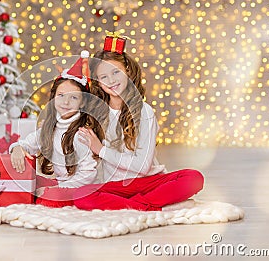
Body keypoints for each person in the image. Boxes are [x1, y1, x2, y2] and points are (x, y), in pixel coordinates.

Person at [74, 34, 204, 211]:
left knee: (193, 177)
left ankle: (135, 205)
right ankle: (146, 205)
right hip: (115, 186)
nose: (111, 80)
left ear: (127, 71)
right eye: (104, 77)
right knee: (81, 196)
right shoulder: (96, 114)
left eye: (115, 72)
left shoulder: (144, 111)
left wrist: (101, 150)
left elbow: (142, 167)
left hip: (148, 182)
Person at [9, 51, 103, 208]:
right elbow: (28, 143)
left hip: (82, 187)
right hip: (61, 183)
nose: (66, 102)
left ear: (82, 103)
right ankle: (47, 194)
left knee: (49, 196)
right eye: (61, 95)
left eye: (73, 97)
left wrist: (59, 189)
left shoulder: (82, 133)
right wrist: (17, 148)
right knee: (28, 182)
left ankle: (49, 196)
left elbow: (88, 175)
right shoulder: (50, 128)